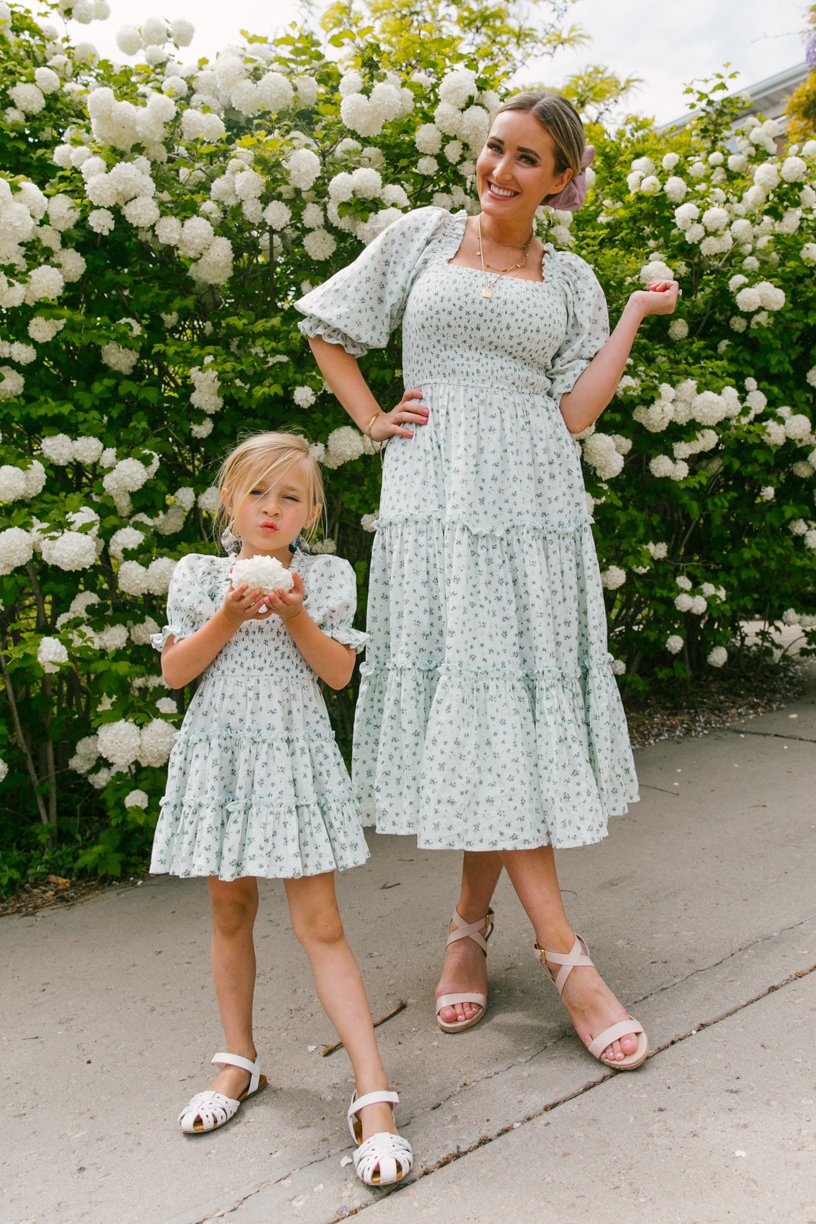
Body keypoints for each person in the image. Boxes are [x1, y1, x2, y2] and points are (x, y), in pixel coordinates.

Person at [297, 91, 679, 1071]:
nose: (499, 169)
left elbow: (575, 413)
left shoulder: (576, 279)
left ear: (561, 179)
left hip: (536, 510)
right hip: (438, 505)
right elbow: (326, 325)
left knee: (501, 711)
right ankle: (567, 958)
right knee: (486, 710)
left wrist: (632, 315)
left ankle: (469, 927)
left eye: (526, 158)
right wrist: (373, 416)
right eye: (493, 148)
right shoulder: (422, 238)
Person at [149, 431, 413, 1186]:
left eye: (289, 496)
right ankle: (238, 1060)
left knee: (321, 924)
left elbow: (336, 675)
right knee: (229, 912)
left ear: (313, 510)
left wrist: (294, 614)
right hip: (222, 760)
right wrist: (229, 617)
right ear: (228, 501)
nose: (272, 507)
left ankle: (372, 1094)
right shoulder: (200, 574)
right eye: (257, 492)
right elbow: (175, 673)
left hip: (294, 760)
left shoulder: (326, 577)